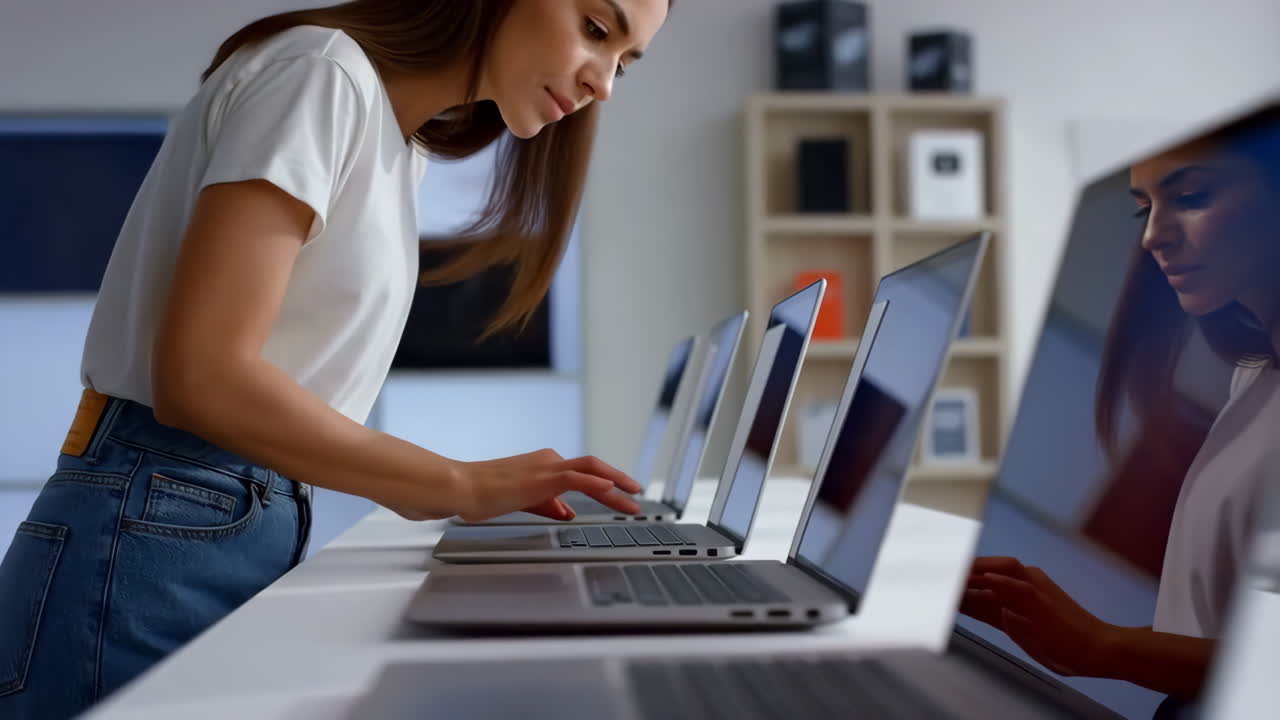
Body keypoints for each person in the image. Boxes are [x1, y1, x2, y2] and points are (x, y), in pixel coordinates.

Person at [0, 2, 671, 718]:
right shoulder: (321, 75)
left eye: (626, 64)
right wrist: (454, 485)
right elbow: (201, 379)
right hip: (153, 520)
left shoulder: (395, 141)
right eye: (597, 30)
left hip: (210, 515)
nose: (603, 82)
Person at [960, 106, 1280, 705]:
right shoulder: (1254, 379)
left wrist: (1102, 646)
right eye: (1144, 208)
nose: (1154, 235)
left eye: (1192, 195)